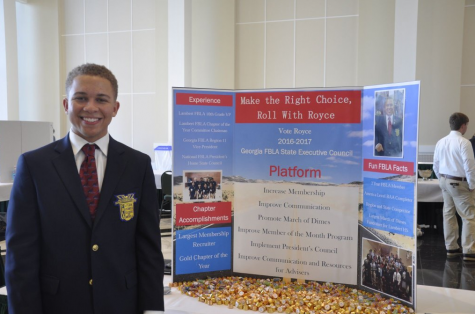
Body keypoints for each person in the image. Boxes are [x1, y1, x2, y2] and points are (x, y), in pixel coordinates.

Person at [5, 63, 165, 314]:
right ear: (66, 104)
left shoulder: (137, 165)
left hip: (122, 304)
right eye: (81, 98)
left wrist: (153, 309)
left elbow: (148, 249)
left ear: (115, 108)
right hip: (57, 305)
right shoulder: (34, 165)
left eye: (101, 99)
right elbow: (21, 255)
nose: (91, 107)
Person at [433, 112, 475, 262]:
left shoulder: (440, 142)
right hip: (459, 182)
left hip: (445, 180)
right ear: (463, 126)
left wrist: (441, 180)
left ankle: (451, 247)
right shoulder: (464, 142)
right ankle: (469, 250)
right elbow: (469, 166)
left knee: (448, 214)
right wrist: (472, 185)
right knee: (469, 216)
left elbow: (435, 165)